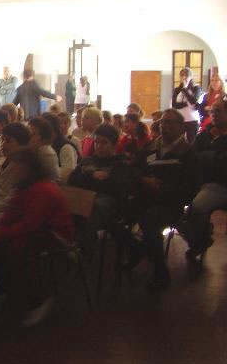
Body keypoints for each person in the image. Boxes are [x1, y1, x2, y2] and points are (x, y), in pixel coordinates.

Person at [0, 148, 72, 325]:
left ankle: (40, 299)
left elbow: (31, 223)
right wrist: (0, 229)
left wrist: (2, 232)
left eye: (17, 164)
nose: (13, 168)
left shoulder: (43, 189)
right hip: (40, 228)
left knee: (20, 246)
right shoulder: (24, 186)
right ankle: (5, 287)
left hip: (57, 233)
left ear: (28, 167)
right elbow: (12, 212)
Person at [125, 109, 200, 289]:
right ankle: (138, 249)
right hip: (146, 198)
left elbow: (191, 188)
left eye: (169, 122)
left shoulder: (188, 153)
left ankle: (160, 271)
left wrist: (162, 189)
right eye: (162, 122)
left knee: (149, 220)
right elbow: (133, 168)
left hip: (171, 204)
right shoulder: (151, 147)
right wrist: (144, 180)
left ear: (181, 127)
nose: (163, 126)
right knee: (117, 212)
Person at [68, 124, 133, 254]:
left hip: (109, 207)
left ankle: (83, 251)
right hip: (85, 200)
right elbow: (72, 180)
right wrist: (92, 175)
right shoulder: (88, 160)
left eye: (104, 142)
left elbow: (112, 188)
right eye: (97, 142)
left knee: (93, 206)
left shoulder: (121, 164)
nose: (99, 146)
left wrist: (86, 180)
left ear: (114, 145)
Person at [185, 96, 227, 258]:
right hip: (198, 182)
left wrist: (204, 156)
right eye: (212, 111)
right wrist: (211, 156)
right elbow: (190, 155)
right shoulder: (206, 133)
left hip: (219, 185)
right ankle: (200, 236)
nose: (213, 114)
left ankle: (199, 240)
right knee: (172, 199)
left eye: (218, 111)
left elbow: (222, 162)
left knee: (199, 205)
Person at [172, 67, 202, 144]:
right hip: (180, 121)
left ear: (191, 77)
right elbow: (174, 105)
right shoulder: (177, 90)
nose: (184, 77)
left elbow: (193, 101)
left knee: (191, 143)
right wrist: (186, 103)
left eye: (186, 75)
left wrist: (185, 88)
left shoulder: (196, 88)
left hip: (192, 121)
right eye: (182, 75)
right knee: (179, 143)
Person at [28, 117, 60, 182]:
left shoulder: (45, 153)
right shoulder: (36, 149)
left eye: (33, 133)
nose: (28, 136)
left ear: (41, 136)